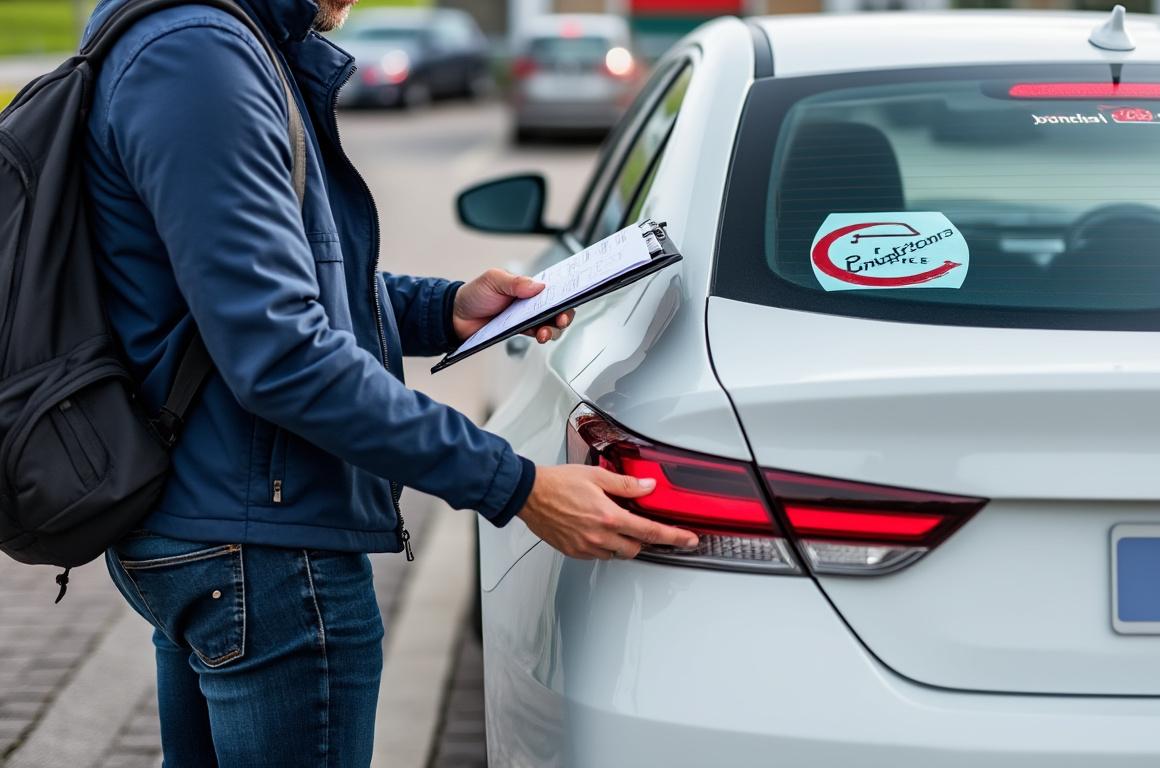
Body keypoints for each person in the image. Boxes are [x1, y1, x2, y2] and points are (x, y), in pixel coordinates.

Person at [79, 0, 699, 763]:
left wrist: (445, 310)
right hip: (261, 549)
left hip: (224, 527)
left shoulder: (207, 40)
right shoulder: (199, 54)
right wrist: (515, 486)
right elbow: (279, 353)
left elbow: (272, 292)